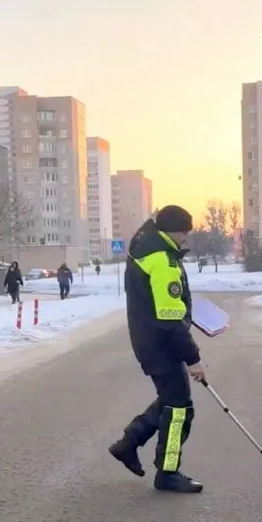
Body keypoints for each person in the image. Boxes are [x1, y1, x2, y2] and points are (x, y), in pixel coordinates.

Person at [107, 205, 206, 494]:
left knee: (170, 399)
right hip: (162, 343)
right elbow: (169, 316)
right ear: (173, 230)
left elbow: (165, 307)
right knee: (180, 410)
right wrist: (194, 359)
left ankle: (128, 444)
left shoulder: (149, 248)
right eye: (185, 232)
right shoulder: (162, 259)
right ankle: (167, 473)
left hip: (151, 340)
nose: (185, 238)